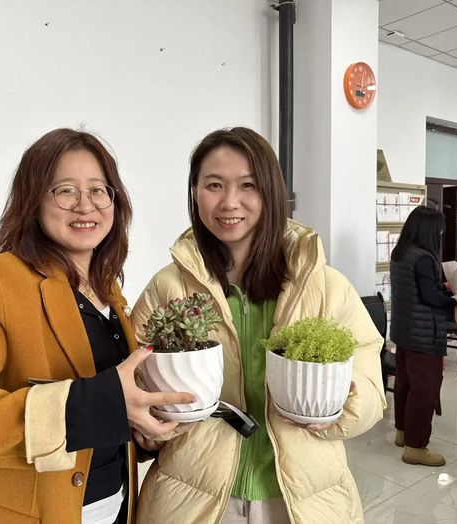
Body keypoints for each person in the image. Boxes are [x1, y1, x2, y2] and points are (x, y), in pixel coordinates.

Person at [0, 128, 194, 524]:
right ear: (33, 201)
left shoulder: (108, 290)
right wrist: (97, 405)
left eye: (98, 190)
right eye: (65, 191)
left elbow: (108, 403)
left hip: (114, 505)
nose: (85, 205)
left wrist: (138, 428)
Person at [131, 127, 386, 523]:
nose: (229, 202)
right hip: (193, 497)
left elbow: (370, 384)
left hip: (302, 500)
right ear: (194, 192)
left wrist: (341, 406)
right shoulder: (167, 287)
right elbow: (135, 381)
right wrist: (148, 424)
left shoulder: (324, 285)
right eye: (214, 185)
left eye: (247, 185)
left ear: (270, 192)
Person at [389, 206, 457, 467]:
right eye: (439, 231)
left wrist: (438, 289)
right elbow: (430, 298)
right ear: (429, 231)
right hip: (423, 335)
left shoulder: (400, 254)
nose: (441, 235)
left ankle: (402, 433)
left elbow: (416, 291)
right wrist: (453, 299)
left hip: (404, 331)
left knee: (405, 384)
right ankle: (416, 447)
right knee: (426, 390)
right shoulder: (423, 258)